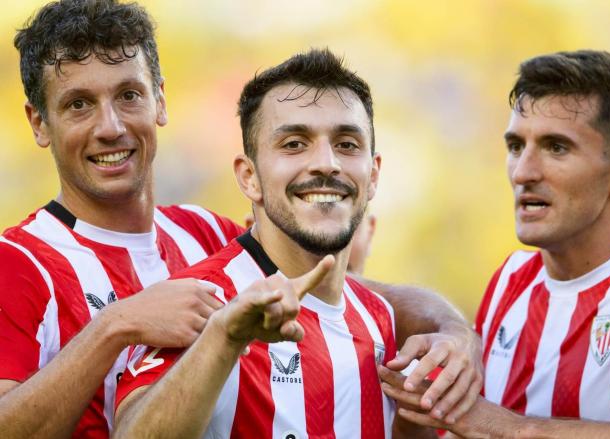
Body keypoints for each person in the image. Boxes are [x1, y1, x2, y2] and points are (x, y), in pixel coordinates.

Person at [0, 1, 482, 437]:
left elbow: (338, 291)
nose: (111, 127)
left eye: (129, 95)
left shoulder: (202, 232)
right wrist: (117, 325)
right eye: (78, 104)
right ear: (40, 123)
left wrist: (454, 331)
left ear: (160, 102)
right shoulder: (18, 262)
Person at [113, 48, 437, 438]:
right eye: (294, 144)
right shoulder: (203, 302)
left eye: (347, 144)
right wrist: (225, 338)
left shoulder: (380, 320)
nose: (326, 163)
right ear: (249, 177)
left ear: (373, 173)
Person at [380, 50, 610, 437]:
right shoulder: (511, 281)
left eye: (556, 147)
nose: (524, 172)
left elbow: (497, 427)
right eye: (515, 146)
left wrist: (517, 430)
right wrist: (418, 405)